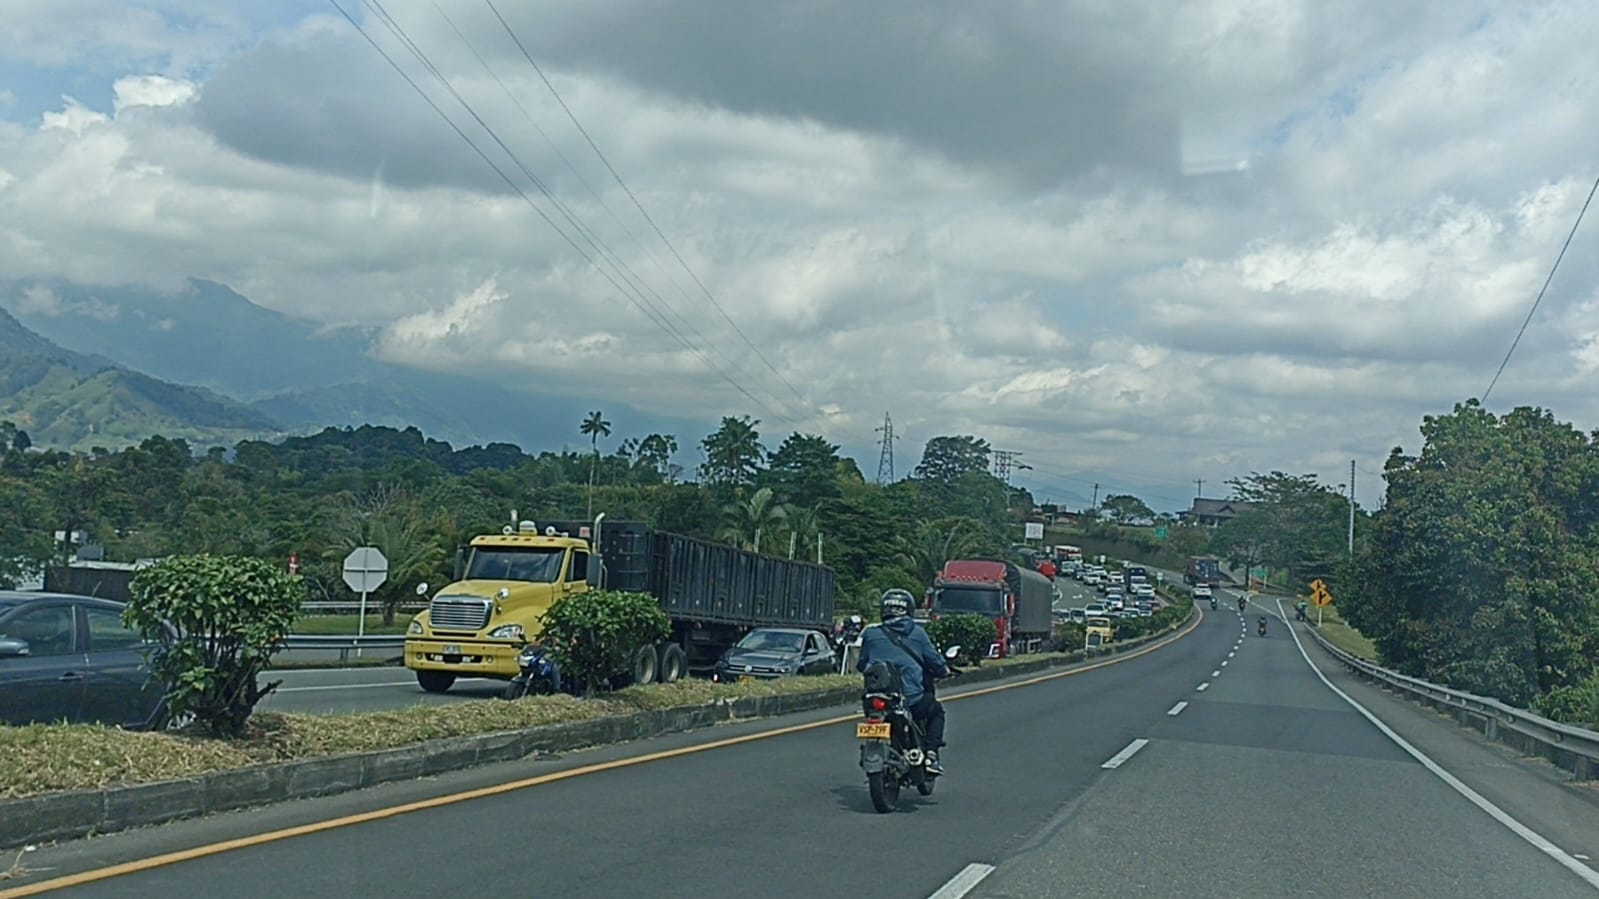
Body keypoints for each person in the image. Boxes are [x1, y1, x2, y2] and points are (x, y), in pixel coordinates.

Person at [857, 588, 950, 774]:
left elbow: (862, 663)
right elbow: (934, 661)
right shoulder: (918, 633)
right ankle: (931, 755)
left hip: (876, 698)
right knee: (937, 712)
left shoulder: (870, 633)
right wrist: (944, 670)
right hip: (910, 698)